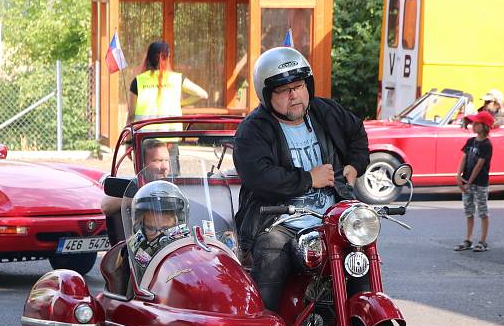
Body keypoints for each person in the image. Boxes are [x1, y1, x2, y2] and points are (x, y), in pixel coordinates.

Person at [233, 46, 369, 312]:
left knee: (361, 252)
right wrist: (308, 179)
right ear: (266, 94)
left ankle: (362, 325)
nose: (294, 94)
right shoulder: (253, 130)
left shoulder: (324, 111)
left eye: (299, 86)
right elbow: (259, 177)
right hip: (278, 219)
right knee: (272, 253)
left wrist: (355, 165)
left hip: (332, 215)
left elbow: (356, 132)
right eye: (284, 90)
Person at [101, 140, 172, 243]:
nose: (164, 167)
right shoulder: (135, 185)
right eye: (157, 160)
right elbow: (105, 206)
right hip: (142, 248)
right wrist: (139, 198)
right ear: (142, 163)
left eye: (166, 160)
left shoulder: (172, 186)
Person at [127, 41, 208, 125]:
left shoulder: (138, 81)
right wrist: (180, 104)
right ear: (167, 58)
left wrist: (127, 137)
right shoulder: (177, 79)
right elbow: (202, 94)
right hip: (172, 136)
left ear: (148, 58)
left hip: (144, 136)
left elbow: (131, 115)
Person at [126, 180, 190, 276]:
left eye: (166, 230)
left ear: (178, 225)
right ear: (140, 228)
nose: (159, 235)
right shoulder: (132, 251)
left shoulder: (190, 246)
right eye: (151, 229)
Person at [454, 110, 494, 252]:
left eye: (477, 123)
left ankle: (483, 241)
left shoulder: (486, 145)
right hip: (467, 180)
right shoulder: (470, 141)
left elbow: (479, 165)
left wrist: (469, 182)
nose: (473, 125)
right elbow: (464, 158)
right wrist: (458, 175)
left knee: (482, 211)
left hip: (480, 182)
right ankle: (468, 239)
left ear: (485, 126)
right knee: (469, 211)